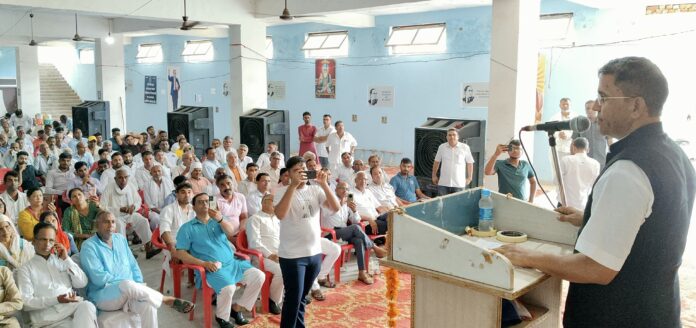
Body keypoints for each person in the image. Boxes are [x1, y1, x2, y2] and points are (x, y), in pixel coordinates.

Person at [496, 57, 696, 328]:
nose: (596, 107)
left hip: (618, 316)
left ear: (635, 105)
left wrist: (529, 256)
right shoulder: (674, 154)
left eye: (604, 97)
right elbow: (653, 225)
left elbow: (596, 268)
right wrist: (591, 215)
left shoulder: (629, 169)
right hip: (657, 310)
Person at [81, 211, 194, 327]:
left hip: (130, 293)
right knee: (126, 284)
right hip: (104, 295)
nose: (110, 226)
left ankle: (146, 294)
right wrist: (128, 285)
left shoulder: (120, 239)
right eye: (106, 222)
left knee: (149, 306)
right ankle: (165, 299)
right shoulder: (88, 246)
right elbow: (98, 278)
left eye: (113, 222)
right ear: (97, 225)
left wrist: (138, 286)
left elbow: (133, 264)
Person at [175, 193, 264, 328]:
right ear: (193, 207)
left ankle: (237, 308)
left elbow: (231, 231)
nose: (205, 204)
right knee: (229, 287)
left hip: (233, 263)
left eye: (207, 201)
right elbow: (180, 253)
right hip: (211, 268)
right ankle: (222, 318)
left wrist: (220, 219)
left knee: (259, 276)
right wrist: (203, 264)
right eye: (200, 202)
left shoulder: (218, 220)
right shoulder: (187, 228)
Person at [273, 156, 340, 327]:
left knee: (302, 297)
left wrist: (324, 184)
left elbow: (335, 208)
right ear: (288, 174)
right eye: (296, 170)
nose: (301, 173)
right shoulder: (281, 191)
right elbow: (280, 214)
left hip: (314, 253)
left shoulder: (315, 190)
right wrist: (293, 186)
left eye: (303, 170)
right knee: (293, 299)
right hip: (293, 255)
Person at [17, 222, 98, 328]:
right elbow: (26, 303)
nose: (47, 244)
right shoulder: (25, 269)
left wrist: (67, 259)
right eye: (43, 239)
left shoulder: (61, 260)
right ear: (34, 241)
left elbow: (82, 282)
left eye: (51, 240)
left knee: (87, 306)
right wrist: (56, 300)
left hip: (72, 310)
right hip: (48, 319)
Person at [322, 182, 387, 285]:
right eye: (342, 188)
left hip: (344, 232)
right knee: (355, 228)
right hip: (330, 233)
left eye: (347, 189)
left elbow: (356, 221)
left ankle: (362, 272)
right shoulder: (329, 201)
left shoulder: (347, 203)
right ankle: (374, 247)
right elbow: (327, 214)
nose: (345, 191)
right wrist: (341, 203)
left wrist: (354, 210)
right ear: (336, 190)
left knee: (359, 240)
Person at [99, 168, 159, 259]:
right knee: (118, 225)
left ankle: (149, 248)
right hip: (115, 216)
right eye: (120, 178)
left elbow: (138, 200)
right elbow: (102, 206)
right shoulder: (109, 188)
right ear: (115, 179)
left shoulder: (130, 186)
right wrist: (119, 209)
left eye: (125, 177)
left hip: (130, 214)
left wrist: (134, 207)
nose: (123, 180)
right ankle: (124, 252)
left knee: (143, 221)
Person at [245, 193, 283, 315]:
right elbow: (254, 243)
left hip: (280, 253)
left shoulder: (277, 218)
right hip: (262, 257)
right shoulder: (254, 219)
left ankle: (296, 294)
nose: (275, 203)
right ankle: (272, 300)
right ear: (264, 202)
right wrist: (270, 255)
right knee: (282, 270)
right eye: (273, 201)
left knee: (299, 263)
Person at [559, 137, 600, 209]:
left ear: (573, 147)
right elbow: (595, 186)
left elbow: (556, 181)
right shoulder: (596, 164)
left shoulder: (565, 160)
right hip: (583, 206)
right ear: (588, 150)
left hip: (564, 203)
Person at [432, 128, 475, 195]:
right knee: (443, 204)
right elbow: (436, 162)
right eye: (449, 135)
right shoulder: (442, 147)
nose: (452, 137)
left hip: (459, 184)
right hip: (444, 183)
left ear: (458, 137)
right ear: (446, 137)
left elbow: (470, 163)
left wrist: (469, 178)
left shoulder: (465, 147)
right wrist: (434, 175)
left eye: (454, 135)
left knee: (458, 205)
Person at [574, 99, 613, 170]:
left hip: (600, 161)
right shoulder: (579, 124)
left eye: (592, 108)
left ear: (597, 109)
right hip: (583, 161)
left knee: (599, 180)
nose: (589, 110)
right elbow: (573, 142)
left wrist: (613, 155)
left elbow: (610, 140)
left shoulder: (605, 123)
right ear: (585, 110)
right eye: (587, 108)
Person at [352, 171, 389, 236]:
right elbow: (352, 215)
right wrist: (369, 219)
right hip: (366, 223)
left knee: (393, 216)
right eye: (360, 179)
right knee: (388, 225)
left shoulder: (368, 191)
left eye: (365, 179)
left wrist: (390, 210)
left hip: (377, 218)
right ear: (355, 181)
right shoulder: (350, 195)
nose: (363, 181)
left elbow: (379, 207)